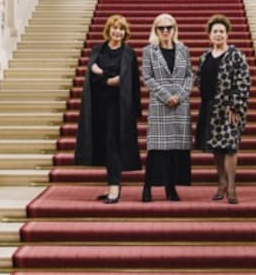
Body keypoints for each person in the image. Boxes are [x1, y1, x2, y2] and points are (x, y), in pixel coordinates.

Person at [74, 14, 141, 204]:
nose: (117, 31)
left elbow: (130, 81)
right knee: (104, 145)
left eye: (121, 28)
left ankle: (114, 187)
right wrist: (106, 77)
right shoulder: (97, 50)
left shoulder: (128, 54)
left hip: (118, 106)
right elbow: (93, 78)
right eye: (114, 27)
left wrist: (101, 74)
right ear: (108, 29)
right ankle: (111, 184)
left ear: (125, 32)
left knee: (114, 145)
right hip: (98, 106)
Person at [195, 14, 250, 204]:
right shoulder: (205, 57)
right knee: (216, 148)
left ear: (227, 34)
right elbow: (198, 81)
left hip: (228, 109)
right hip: (209, 107)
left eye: (221, 31)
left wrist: (235, 106)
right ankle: (221, 183)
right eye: (215, 31)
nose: (218, 35)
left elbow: (243, 82)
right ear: (209, 35)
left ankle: (232, 187)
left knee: (230, 147)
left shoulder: (236, 55)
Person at [141, 13, 192, 202]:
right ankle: (147, 187)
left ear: (174, 29)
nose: (165, 31)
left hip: (179, 106)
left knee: (174, 151)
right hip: (160, 106)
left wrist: (179, 96)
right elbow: (147, 78)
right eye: (161, 28)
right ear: (155, 30)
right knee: (156, 150)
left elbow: (189, 76)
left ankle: (171, 188)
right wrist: (165, 96)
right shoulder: (149, 51)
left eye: (168, 27)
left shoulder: (183, 50)